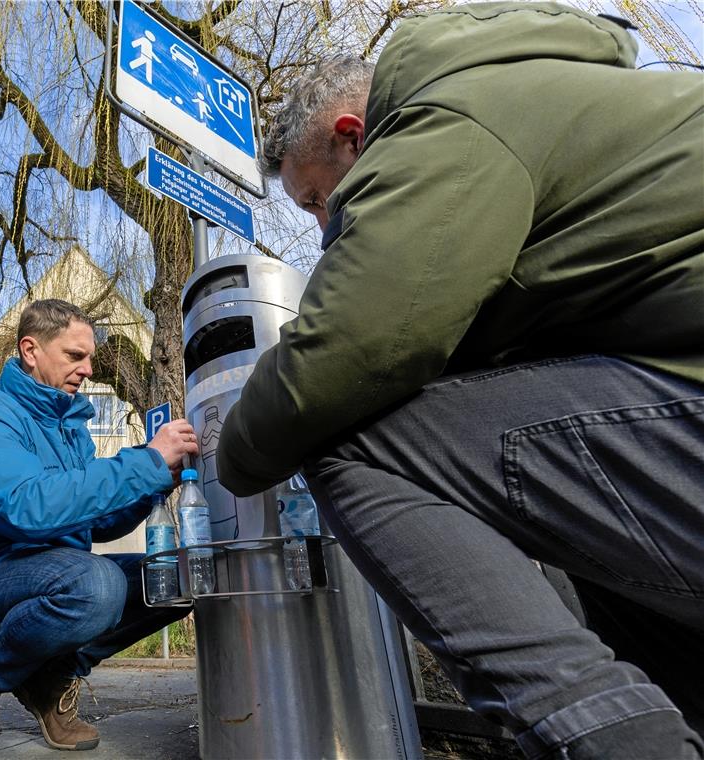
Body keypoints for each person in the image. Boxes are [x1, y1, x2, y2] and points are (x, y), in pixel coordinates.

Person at [216, 3, 703, 759]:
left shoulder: (444, 118)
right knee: (557, 500)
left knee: (354, 437)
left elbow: (352, 350)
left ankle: (613, 739)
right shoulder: (544, 90)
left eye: (317, 199)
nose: (321, 226)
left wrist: (232, 456)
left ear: (352, 134)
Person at [0, 299, 197, 760]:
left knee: (176, 578)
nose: (88, 369)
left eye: (89, 357)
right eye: (75, 356)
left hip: (54, 576)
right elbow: (28, 509)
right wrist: (143, 461)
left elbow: (99, 523)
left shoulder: (73, 431)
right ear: (31, 350)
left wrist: (153, 484)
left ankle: (51, 679)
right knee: (96, 584)